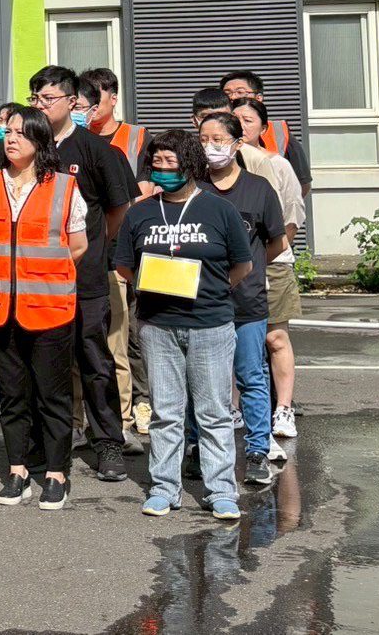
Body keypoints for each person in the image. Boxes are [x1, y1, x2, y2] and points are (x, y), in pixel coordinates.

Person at [114, 129, 253, 520]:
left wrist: (212, 289)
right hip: (158, 325)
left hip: (210, 323)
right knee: (166, 411)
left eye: (169, 162)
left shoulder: (218, 210)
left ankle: (221, 490)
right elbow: (125, 265)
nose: (161, 169)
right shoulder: (140, 212)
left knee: (213, 412)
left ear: (189, 164)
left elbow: (242, 264)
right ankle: (164, 488)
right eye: (155, 162)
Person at [0, 106, 88, 510]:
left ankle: (56, 473)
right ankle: (17, 468)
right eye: (7, 130)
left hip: (50, 308)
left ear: (40, 140)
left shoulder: (65, 186)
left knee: (52, 395)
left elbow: (78, 246)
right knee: (11, 393)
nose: (12, 137)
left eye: (21, 132)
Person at [28, 66, 135, 482]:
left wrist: (92, 250)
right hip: (37, 277)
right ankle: (48, 439)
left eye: (47, 98)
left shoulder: (94, 150)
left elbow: (117, 209)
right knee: (43, 362)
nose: (39, 105)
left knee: (95, 360)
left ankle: (107, 441)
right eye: (35, 98)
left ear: (72, 102)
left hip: (85, 276)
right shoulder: (28, 148)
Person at [188, 112, 286, 488]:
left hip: (247, 304)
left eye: (217, 139)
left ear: (237, 142)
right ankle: (197, 448)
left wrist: (246, 271)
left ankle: (258, 451)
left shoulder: (259, 189)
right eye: (202, 139)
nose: (209, 147)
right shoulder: (193, 188)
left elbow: (276, 243)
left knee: (251, 377)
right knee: (201, 381)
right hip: (201, 304)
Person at [77, 68, 153, 446]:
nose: (84, 108)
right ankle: (78, 422)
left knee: (117, 343)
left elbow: (135, 196)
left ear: (111, 99)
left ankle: (121, 421)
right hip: (75, 262)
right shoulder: (62, 143)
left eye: (92, 100)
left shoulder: (132, 139)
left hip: (119, 254)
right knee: (79, 348)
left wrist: (104, 238)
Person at [230, 96, 307, 448]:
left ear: (263, 127)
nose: (242, 127)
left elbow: (291, 219)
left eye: (248, 120)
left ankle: (284, 408)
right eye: (236, 120)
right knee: (232, 339)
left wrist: (263, 256)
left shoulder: (276, 165)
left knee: (275, 338)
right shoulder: (218, 167)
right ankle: (234, 408)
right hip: (230, 267)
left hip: (272, 265)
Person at [219, 71, 312, 196]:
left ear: (259, 98)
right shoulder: (213, 135)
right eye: (227, 94)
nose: (233, 97)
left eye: (240, 92)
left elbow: (302, 183)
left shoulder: (279, 133)